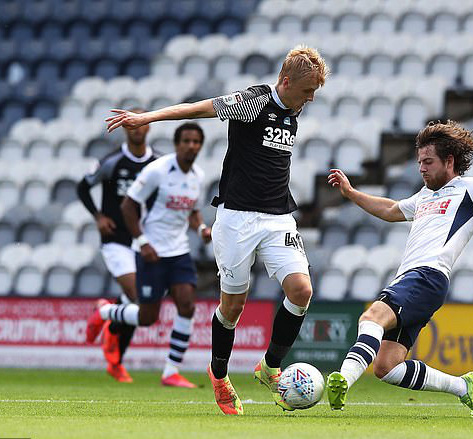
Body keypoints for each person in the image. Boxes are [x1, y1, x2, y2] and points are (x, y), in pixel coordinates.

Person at [105, 45, 329, 415]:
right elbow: (199, 108)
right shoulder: (252, 102)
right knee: (233, 307)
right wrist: (147, 118)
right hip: (236, 219)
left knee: (302, 290)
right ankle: (220, 374)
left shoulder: (292, 112)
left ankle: (270, 366)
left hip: (277, 219)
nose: (310, 99)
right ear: (285, 81)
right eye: (306, 91)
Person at [325, 120, 473, 417]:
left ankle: (343, 381)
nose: (421, 169)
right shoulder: (423, 196)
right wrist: (351, 193)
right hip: (413, 280)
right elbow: (389, 210)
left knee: (372, 316)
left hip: (427, 276)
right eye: (419, 162)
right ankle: (463, 387)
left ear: (449, 161)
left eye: (428, 162)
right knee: (387, 367)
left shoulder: (471, 189)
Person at [86, 122, 211, 388]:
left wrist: (201, 228)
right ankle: (106, 312)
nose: (191, 146)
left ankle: (171, 372)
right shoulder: (157, 170)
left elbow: (193, 211)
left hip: (178, 251)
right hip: (151, 252)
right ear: (177, 144)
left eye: (196, 142)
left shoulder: (198, 176)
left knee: (187, 305)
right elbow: (127, 206)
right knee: (147, 317)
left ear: (200, 146)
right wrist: (142, 241)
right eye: (186, 141)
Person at [78, 108, 157, 383]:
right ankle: (106, 315)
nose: (136, 129)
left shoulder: (157, 163)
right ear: (124, 128)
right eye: (131, 125)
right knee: (138, 298)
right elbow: (82, 187)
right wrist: (98, 216)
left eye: (141, 124)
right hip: (116, 240)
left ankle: (115, 354)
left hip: (144, 240)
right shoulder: (112, 162)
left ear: (148, 126)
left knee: (140, 302)